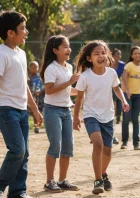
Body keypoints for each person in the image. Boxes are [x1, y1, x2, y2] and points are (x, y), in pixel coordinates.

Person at [73, 40, 129, 195]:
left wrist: (123, 101)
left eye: (103, 53)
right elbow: (79, 98)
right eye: (96, 53)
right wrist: (76, 118)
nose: (101, 56)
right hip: (91, 115)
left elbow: (116, 89)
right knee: (97, 144)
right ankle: (98, 180)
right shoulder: (85, 76)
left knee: (108, 151)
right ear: (89, 58)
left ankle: (103, 174)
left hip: (108, 116)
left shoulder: (111, 73)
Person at [0, 10, 43, 198]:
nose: (26, 32)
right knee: (17, 150)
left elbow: (23, 84)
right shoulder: (2, 53)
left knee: (24, 153)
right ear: (10, 32)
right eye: (23, 29)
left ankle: (18, 191)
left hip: (21, 110)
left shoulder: (22, 54)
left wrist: (35, 110)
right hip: (6, 109)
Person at [40, 35, 80, 193]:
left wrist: (83, 91)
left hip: (66, 110)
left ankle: (62, 180)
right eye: (64, 46)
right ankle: (49, 181)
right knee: (55, 146)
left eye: (68, 46)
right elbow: (49, 91)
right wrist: (69, 82)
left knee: (68, 147)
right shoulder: (51, 68)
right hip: (52, 111)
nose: (68, 49)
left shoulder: (68, 67)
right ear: (55, 50)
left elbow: (68, 91)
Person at [120, 46, 140, 150]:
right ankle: (124, 142)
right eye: (135, 53)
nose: (137, 55)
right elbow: (124, 77)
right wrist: (128, 90)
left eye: (139, 53)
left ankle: (136, 143)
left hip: (138, 95)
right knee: (126, 118)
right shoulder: (129, 65)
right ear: (132, 55)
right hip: (128, 95)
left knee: (136, 119)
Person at [28, 61, 44, 133]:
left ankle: (47, 124)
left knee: (44, 110)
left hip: (41, 96)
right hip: (32, 97)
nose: (35, 69)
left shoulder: (40, 76)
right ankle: (36, 126)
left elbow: (45, 85)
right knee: (35, 111)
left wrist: (42, 92)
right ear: (29, 68)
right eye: (34, 67)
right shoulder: (28, 78)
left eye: (37, 67)